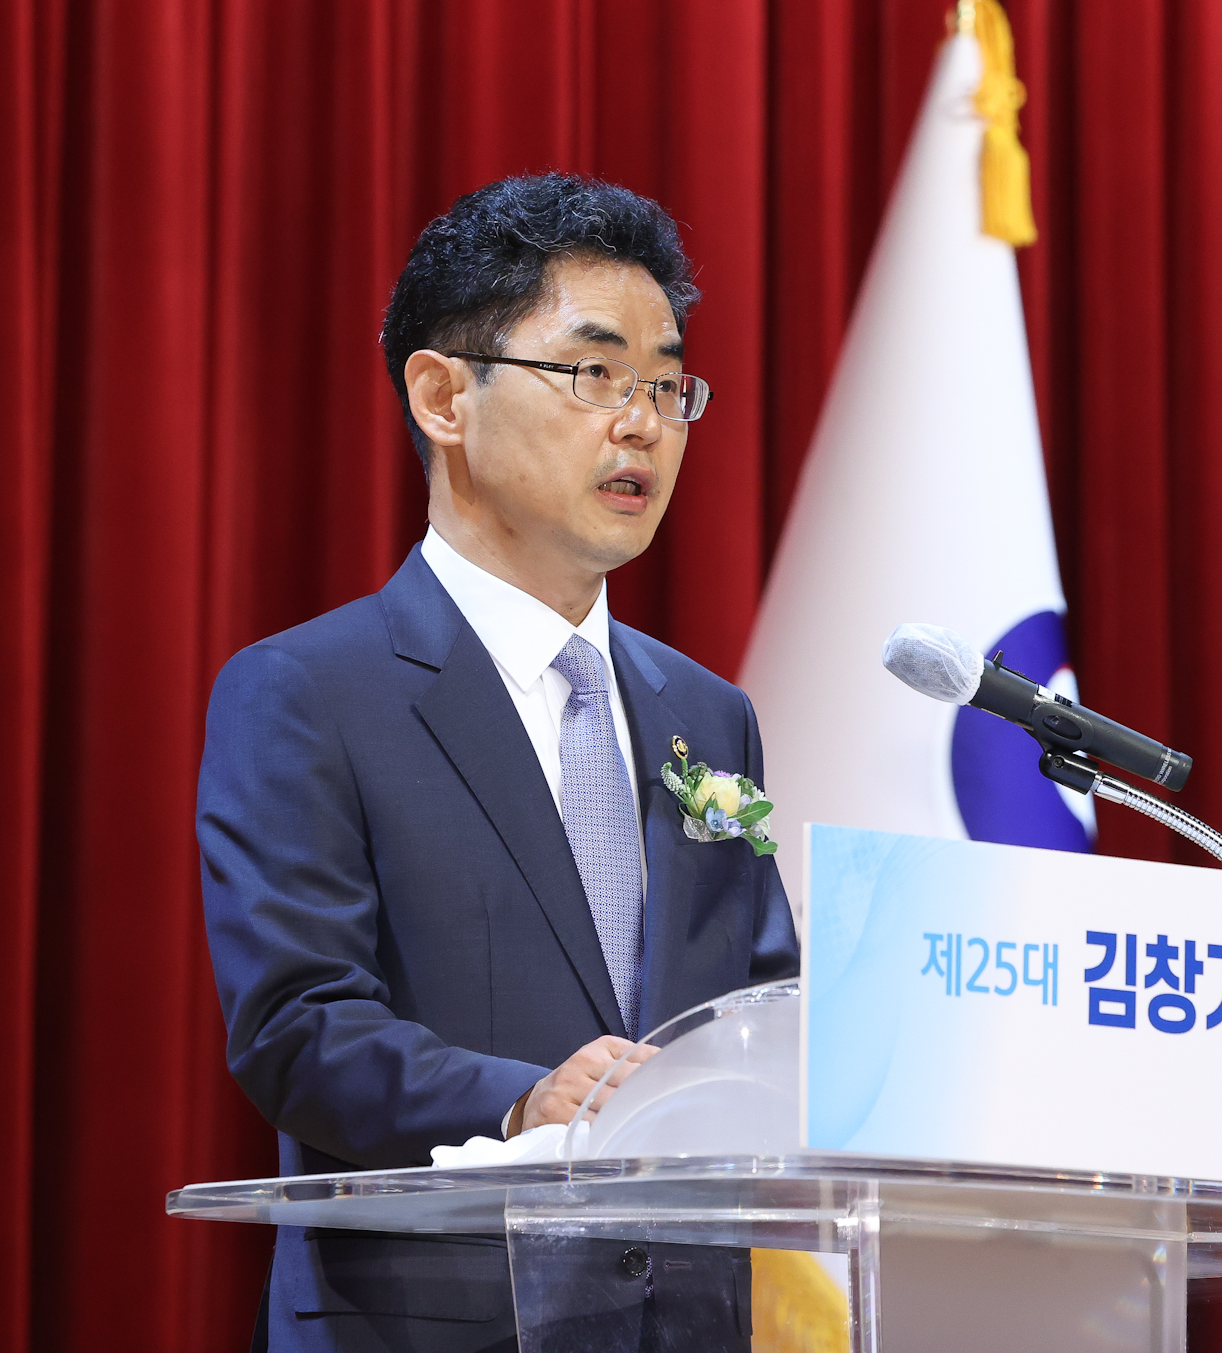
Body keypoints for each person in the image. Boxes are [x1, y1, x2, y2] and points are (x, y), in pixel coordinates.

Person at [198, 173, 797, 1353]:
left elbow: (759, 1005)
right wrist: (521, 1101)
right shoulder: (310, 692)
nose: (642, 424)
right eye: (593, 374)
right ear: (442, 398)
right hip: (434, 1321)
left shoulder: (706, 715)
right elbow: (297, 1029)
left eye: (666, 385)